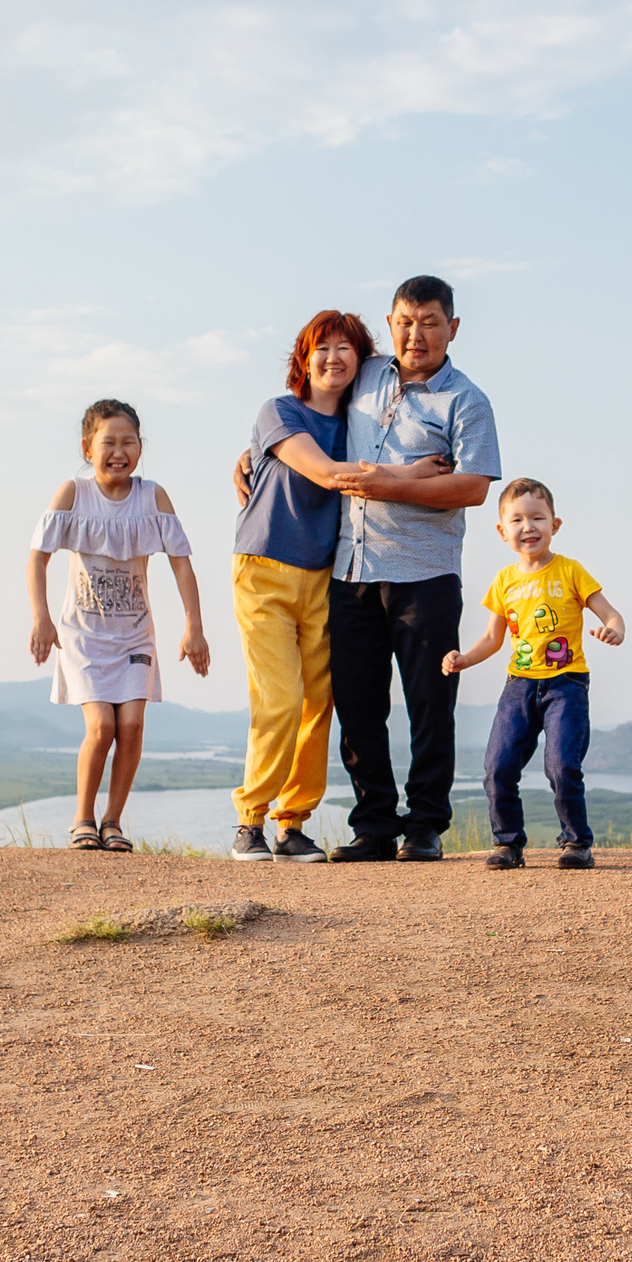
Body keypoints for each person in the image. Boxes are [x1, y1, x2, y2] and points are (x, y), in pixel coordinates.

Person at [227, 310, 454, 864]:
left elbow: (399, 368)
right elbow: (330, 475)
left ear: (363, 361)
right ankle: (249, 820)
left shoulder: (355, 418)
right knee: (280, 699)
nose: (332, 358)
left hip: (328, 576)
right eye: (320, 348)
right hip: (264, 571)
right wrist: (420, 472)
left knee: (320, 703)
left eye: (345, 349)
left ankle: (291, 823)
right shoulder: (278, 411)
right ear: (302, 358)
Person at [320, 275, 500, 862]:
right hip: (351, 569)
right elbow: (309, 407)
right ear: (390, 322)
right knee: (358, 705)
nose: (415, 333)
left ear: (453, 327)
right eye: (404, 320)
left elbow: (472, 487)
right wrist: (255, 448)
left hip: (425, 574)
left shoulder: (467, 401)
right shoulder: (366, 373)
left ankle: (425, 825)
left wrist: (384, 485)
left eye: (428, 321)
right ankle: (372, 824)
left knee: (429, 705)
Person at [27, 398, 209, 854]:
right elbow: (37, 559)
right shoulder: (73, 494)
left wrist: (194, 627)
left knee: (131, 723)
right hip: (83, 636)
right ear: (88, 447)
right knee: (101, 727)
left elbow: (182, 566)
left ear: (141, 448)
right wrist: (42, 619)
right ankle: (82, 819)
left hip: (134, 635)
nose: (118, 451)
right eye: (108, 442)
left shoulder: (153, 497)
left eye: (128, 442)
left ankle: (112, 822)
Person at [444, 478, 627, 871]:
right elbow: (492, 639)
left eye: (537, 517)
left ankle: (576, 843)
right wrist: (464, 659)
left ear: (554, 525)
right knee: (498, 766)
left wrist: (614, 629)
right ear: (501, 531)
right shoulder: (504, 582)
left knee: (562, 765)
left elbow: (610, 613)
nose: (528, 527)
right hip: (519, 687)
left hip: (567, 685)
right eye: (517, 519)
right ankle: (508, 844)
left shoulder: (571, 571)